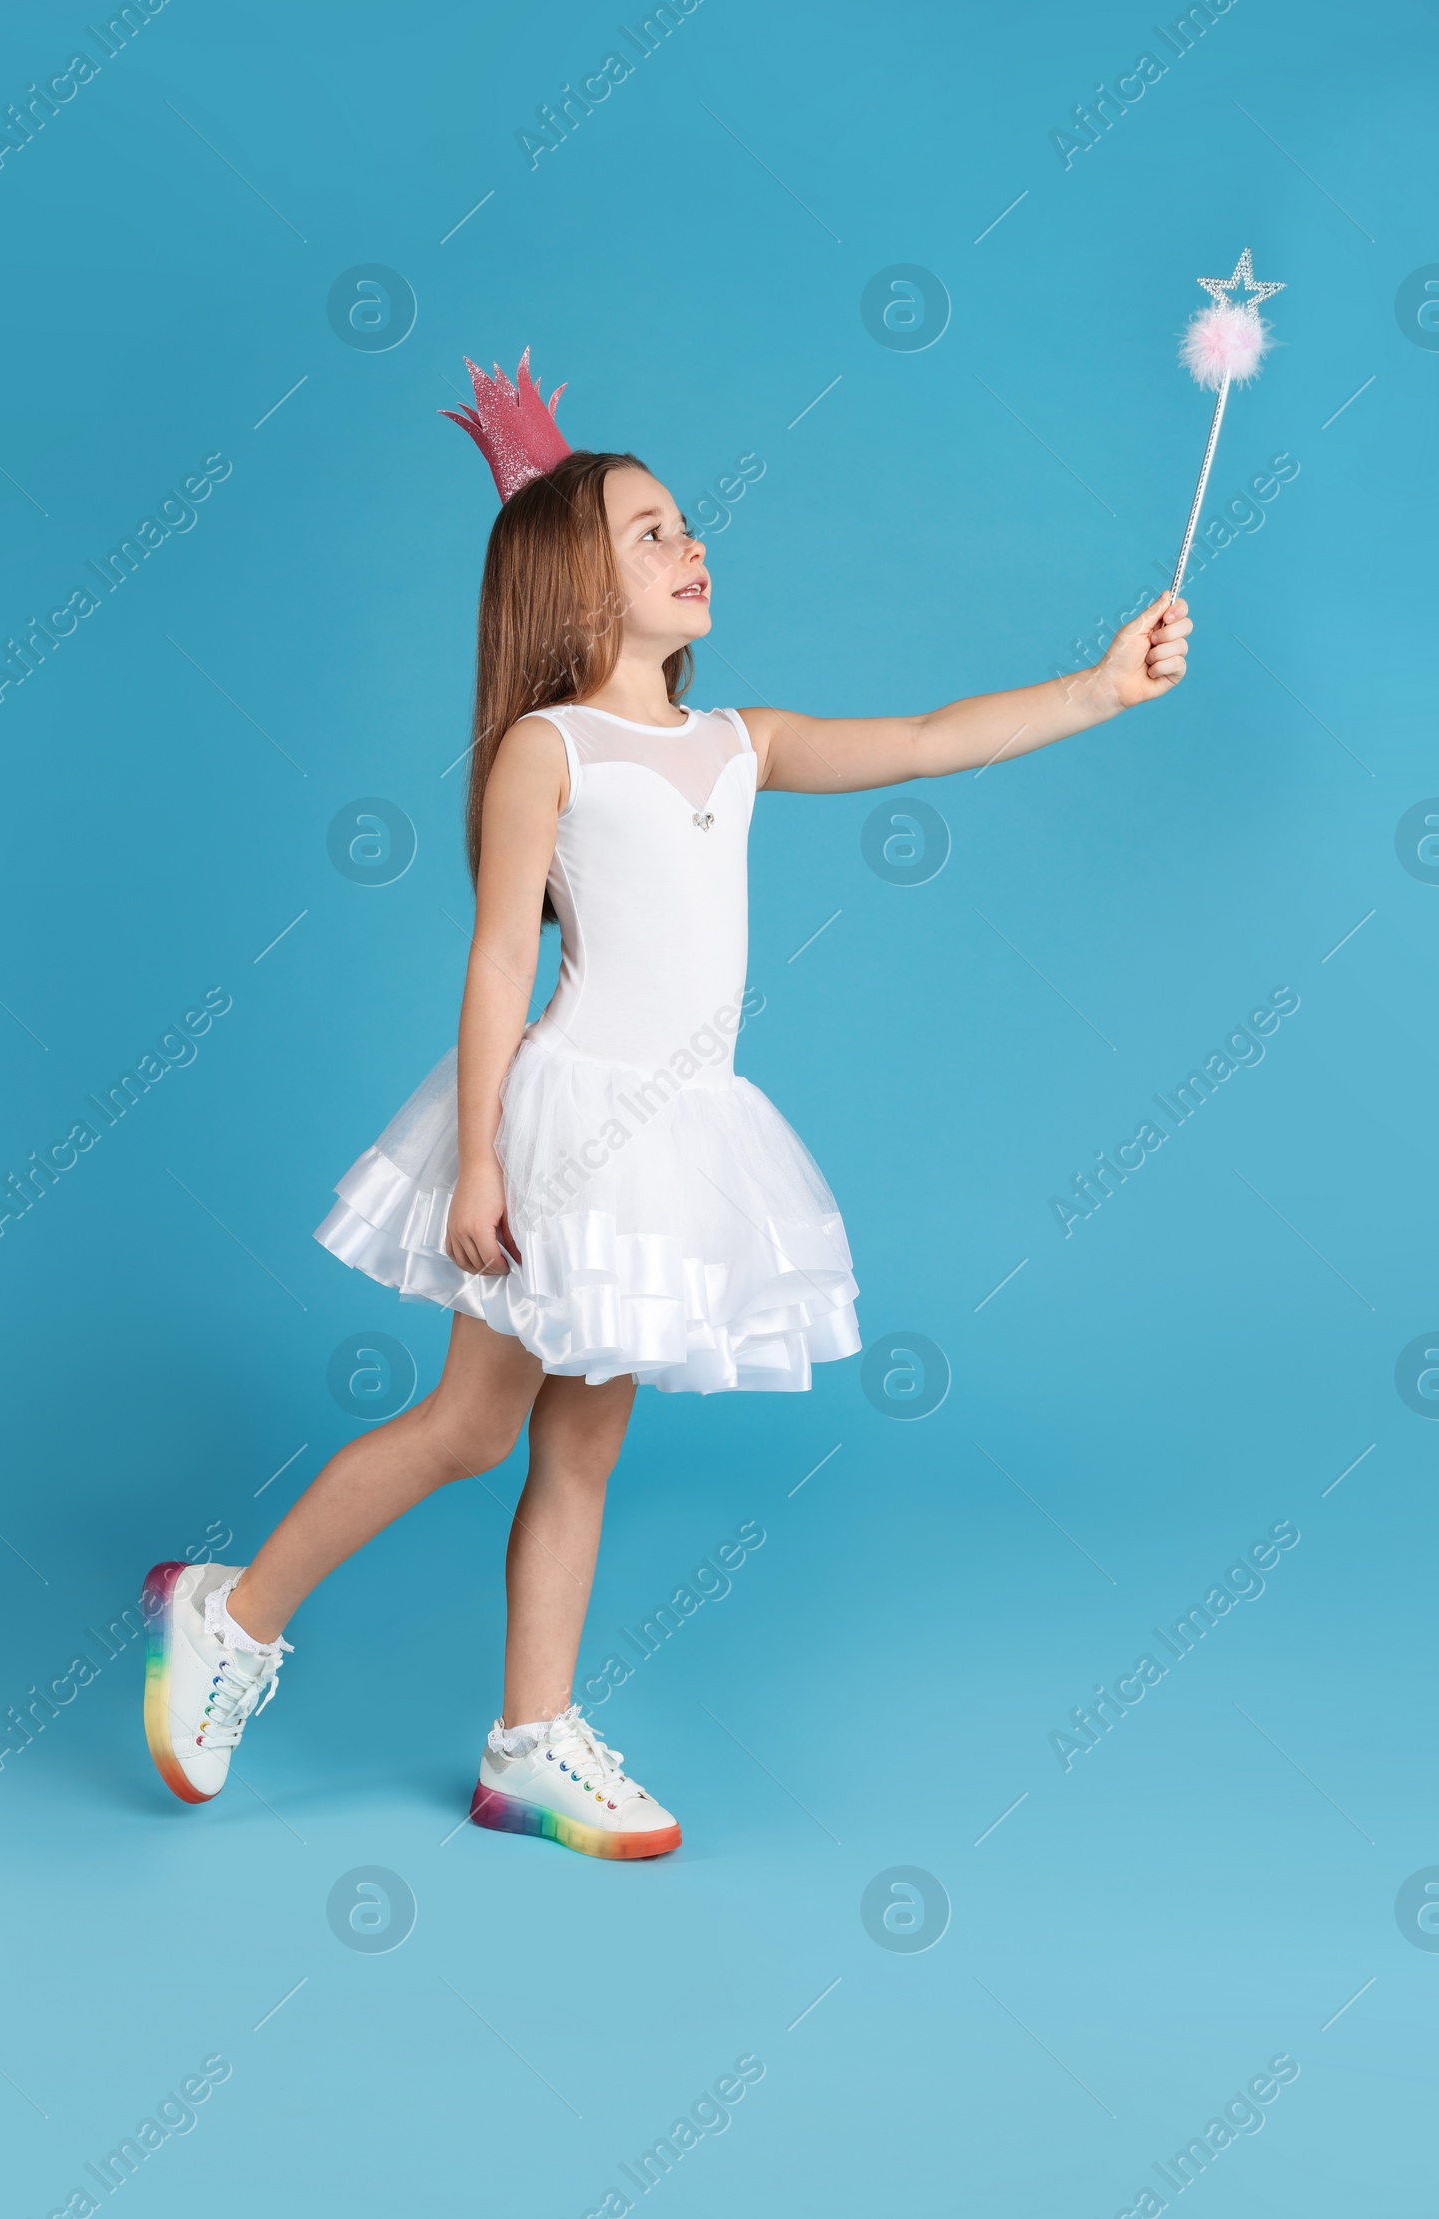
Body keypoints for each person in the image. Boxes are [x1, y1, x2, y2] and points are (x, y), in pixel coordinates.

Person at [142, 350, 1191, 1856]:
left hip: (678, 1138)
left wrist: (1099, 686)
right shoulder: (546, 749)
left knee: (582, 1448)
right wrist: (483, 1159)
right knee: (463, 1429)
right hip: (565, 1127)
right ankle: (226, 1619)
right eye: (651, 530)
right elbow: (503, 959)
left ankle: (531, 1740)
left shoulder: (737, 742)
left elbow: (916, 739)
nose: (693, 545)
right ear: (573, 581)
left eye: (688, 524)